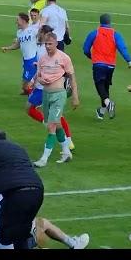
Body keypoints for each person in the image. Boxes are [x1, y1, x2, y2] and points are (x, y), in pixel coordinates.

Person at [33, 32, 80, 167]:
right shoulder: (42, 59)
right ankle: (66, 152)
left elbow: (72, 78)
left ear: (56, 44)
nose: (47, 47)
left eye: (50, 44)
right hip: (46, 95)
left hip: (59, 95)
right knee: (56, 123)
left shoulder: (64, 58)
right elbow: (39, 75)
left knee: (51, 126)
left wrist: (75, 96)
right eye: (46, 44)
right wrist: (40, 80)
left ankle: (44, 159)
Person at [26, 25, 75, 151]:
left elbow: (46, 68)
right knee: (56, 115)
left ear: (43, 33)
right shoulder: (44, 48)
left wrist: (33, 80)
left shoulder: (44, 50)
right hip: (44, 85)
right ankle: (68, 141)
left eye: (39, 32)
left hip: (44, 87)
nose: (38, 34)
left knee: (32, 109)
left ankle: (57, 134)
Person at [83, 13, 131, 120]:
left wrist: (90, 56)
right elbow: (122, 48)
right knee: (105, 87)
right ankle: (101, 111)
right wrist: (129, 61)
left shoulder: (94, 33)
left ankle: (109, 103)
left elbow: (85, 48)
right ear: (110, 22)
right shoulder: (115, 34)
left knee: (99, 85)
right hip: (110, 65)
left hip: (99, 64)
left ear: (100, 22)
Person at [1, 12, 39, 95]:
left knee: (26, 84)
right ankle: (29, 92)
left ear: (23, 21)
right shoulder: (19, 32)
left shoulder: (33, 30)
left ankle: (34, 97)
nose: (16, 22)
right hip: (25, 60)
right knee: (24, 85)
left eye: (17, 20)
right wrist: (8, 48)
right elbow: (18, 44)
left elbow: (43, 35)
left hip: (32, 60)